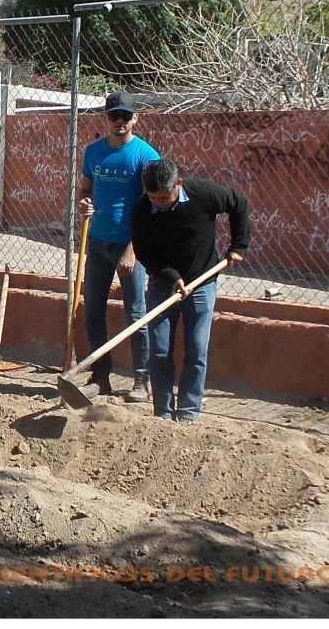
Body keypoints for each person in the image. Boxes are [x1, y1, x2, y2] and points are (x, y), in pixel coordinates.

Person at [130, 159, 249, 422]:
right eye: (153, 198)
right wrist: (172, 277)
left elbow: (238, 203)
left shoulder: (203, 193)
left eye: (164, 197)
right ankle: (162, 413)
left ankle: (188, 412)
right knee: (160, 350)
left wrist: (239, 246)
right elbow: (145, 254)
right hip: (163, 284)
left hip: (202, 281)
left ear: (179, 185)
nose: (159, 203)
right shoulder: (141, 210)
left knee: (196, 348)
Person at [75, 91, 161, 402]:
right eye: (114, 115)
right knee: (92, 312)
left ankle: (142, 381)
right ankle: (101, 378)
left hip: (130, 246)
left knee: (136, 314)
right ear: (106, 118)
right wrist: (83, 204)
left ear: (135, 118)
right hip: (98, 242)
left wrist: (133, 250)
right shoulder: (94, 152)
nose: (119, 121)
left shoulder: (146, 156)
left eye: (125, 115)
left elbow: (154, 207)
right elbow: (86, 189)